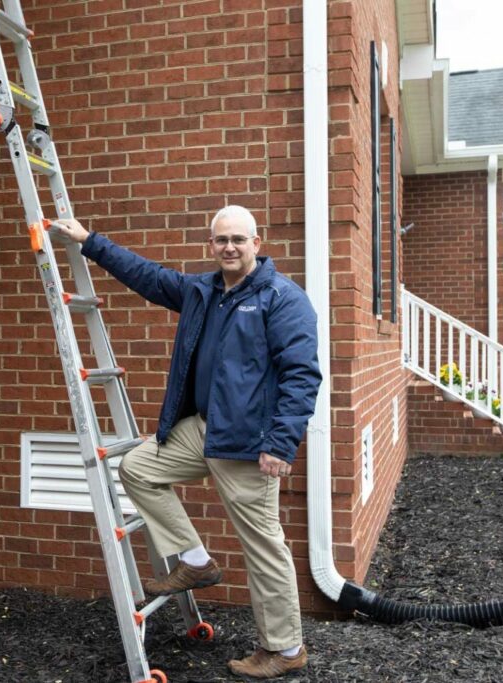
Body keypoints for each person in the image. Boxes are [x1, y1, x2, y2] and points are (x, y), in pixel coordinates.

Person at [54, 206, 322, 679]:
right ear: (211, 245)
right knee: (138, 468)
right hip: (202, 429)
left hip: (247, 444)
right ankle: (195, 561)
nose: (230, 248)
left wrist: (280, 444)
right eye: (221, 240)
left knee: (263, 546)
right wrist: (89, 241)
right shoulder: (202, 292)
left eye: (239, 239)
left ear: (257, 244)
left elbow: (302, 376)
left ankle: (285, 648)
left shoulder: (283, 298)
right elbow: (147, 276)